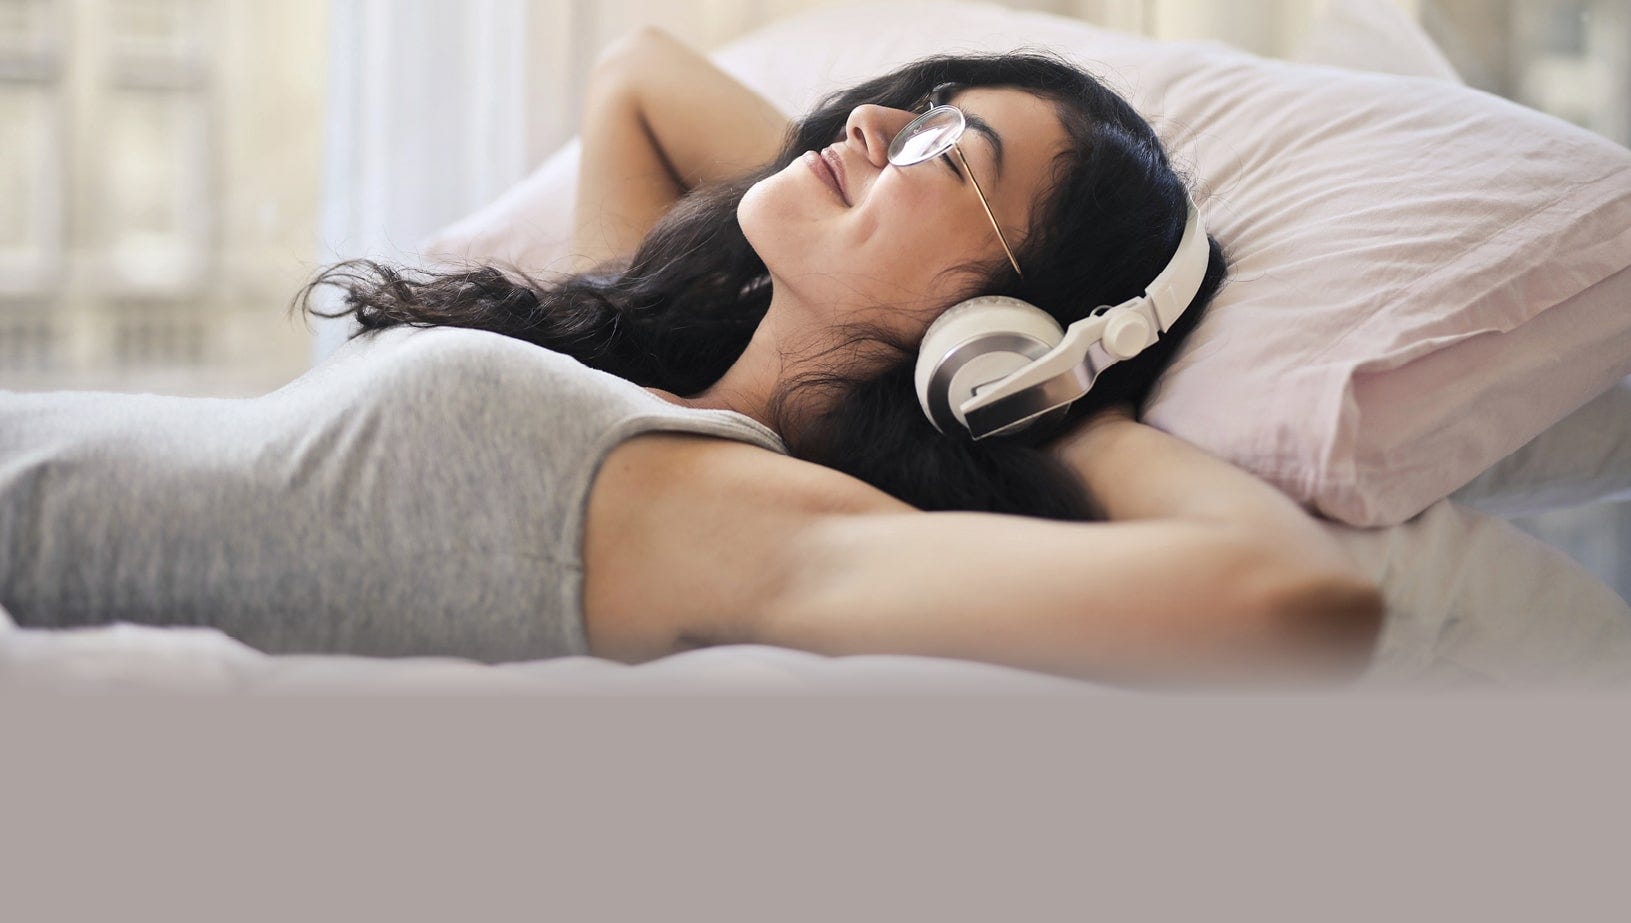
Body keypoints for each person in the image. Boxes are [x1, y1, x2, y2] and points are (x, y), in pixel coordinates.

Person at [1, 29, 1383, 690]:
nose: (875, 123)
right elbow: (641, 78)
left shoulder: (733, 514)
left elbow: (1300, 603)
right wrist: (877, 179)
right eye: (916, 103)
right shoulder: (641, 357)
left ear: (1007, 329)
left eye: (945, 150)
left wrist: (1041, 390)